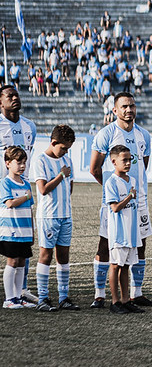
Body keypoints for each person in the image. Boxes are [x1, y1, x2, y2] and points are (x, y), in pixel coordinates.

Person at [89, 93, 152, 309]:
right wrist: (113, 190)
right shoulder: (106, 134)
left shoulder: (144, 135)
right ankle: (100, 295)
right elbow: (94, 168)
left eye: (132, 106)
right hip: (115, 201)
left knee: (140, 242)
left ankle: (136, 294)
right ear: (115, 110)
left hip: (140, 199)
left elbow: (143, 166)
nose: (129, 110)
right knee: (106, 243)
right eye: (124, 106)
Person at [33, 125, 78, 312]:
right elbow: (43, 189)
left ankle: (63, 297)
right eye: (63, 148)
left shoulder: (67, 160)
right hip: (49, 216)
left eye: (68, 148)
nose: (66, 151)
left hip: (65, 215)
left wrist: (65, 177)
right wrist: (60, 175)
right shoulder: (40, 161)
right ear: (53, 142)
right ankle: (42, 298)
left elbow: (70, 186)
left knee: (64, 256)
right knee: (46, 255)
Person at [0, 85, 37, 304]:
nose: (14, 98)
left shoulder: (29, 126)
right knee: (9, 245)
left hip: (21, 189)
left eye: (16, 95)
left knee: (23, 241)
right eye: (9, 96)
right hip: (4, 192)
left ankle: (20, 290)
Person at [104, 145, 143, 315]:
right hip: (119, 233)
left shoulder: (132, 180)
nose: (128, 163)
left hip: (131, 233)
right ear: (114, 162)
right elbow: (114, 208)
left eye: (130, 160)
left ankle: (126, 300)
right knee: (115, 266)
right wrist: (129, 196)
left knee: (126, 266)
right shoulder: (111, 182)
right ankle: (114, 301)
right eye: (124, 160)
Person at [1, 146, 35, 309]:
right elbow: (9, 203)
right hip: (11, 231)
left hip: (25, 231)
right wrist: (26, 196)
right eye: (18, 162)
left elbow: (30, 209)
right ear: (8, 163)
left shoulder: (26, 184)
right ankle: (9, 299)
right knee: (12, 261)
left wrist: (33, 232)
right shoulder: (5, 183)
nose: (22, 166)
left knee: (22, 262)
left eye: (24, 163)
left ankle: (18, 296)